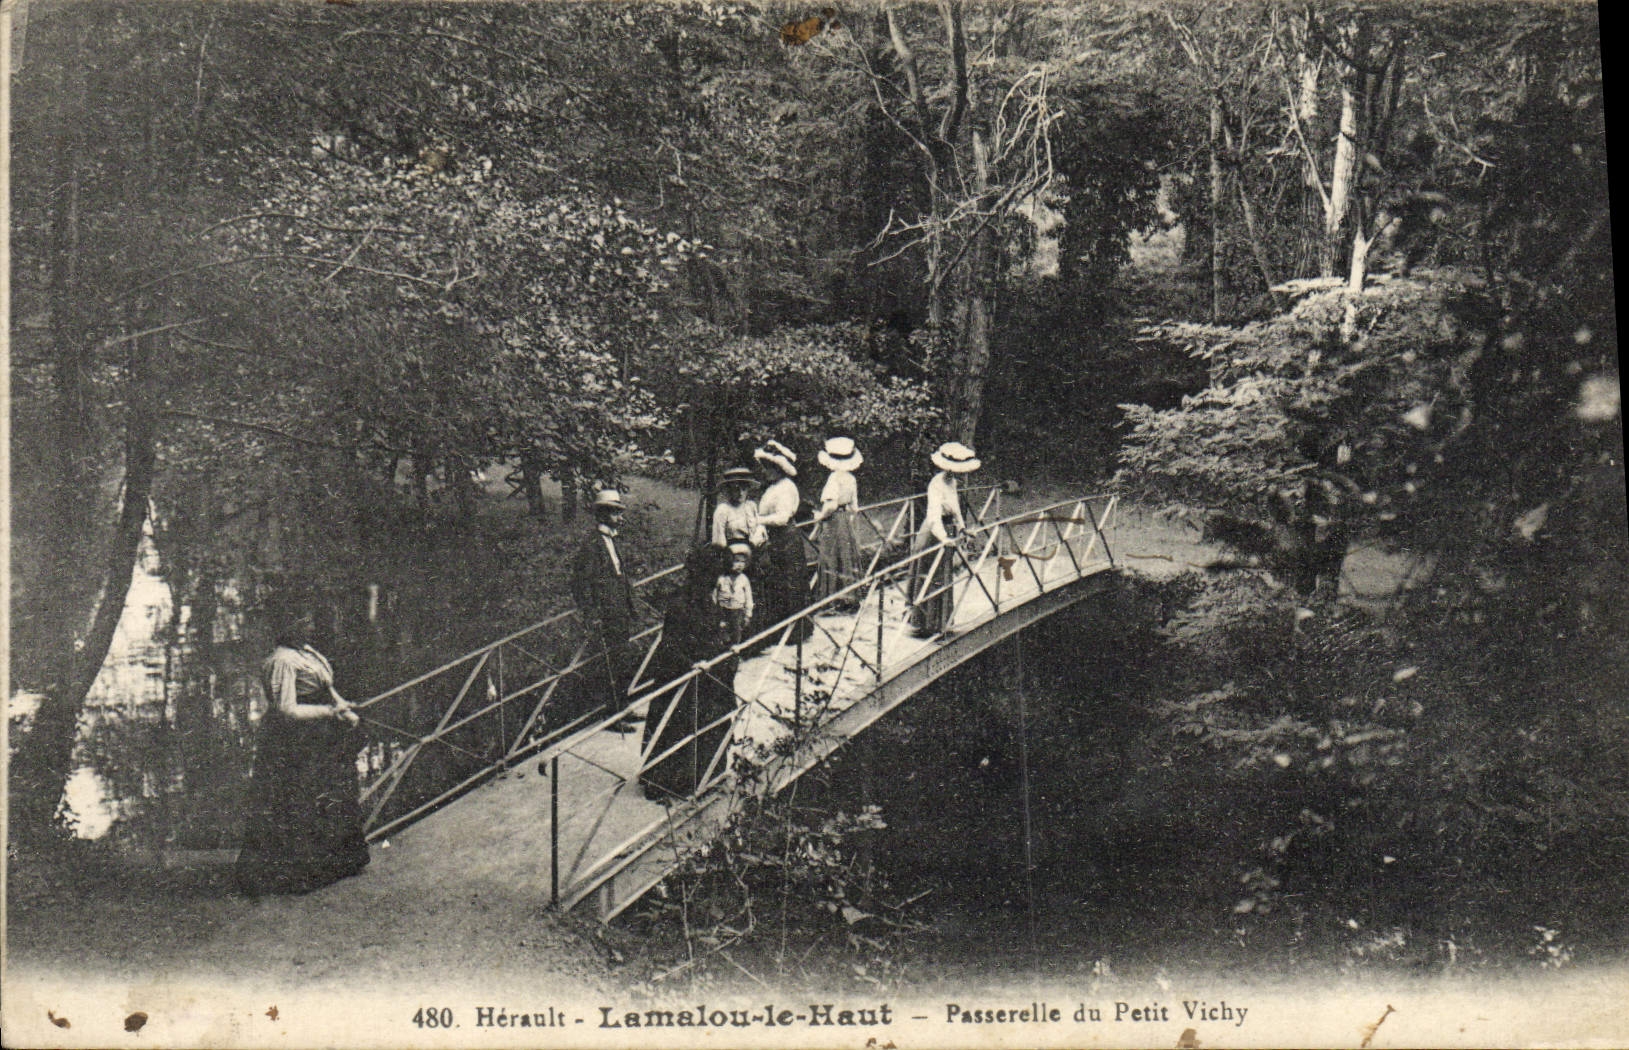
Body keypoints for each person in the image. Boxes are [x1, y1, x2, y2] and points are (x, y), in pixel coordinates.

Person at [235, 609, 369, 897]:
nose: (310, 627)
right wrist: (331, 712)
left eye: (309, 621)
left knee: (331, 794)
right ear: (289, 626)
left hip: (319, 732)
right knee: (300, 798)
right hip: (294, 739)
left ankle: (339, 862)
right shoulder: (281, 661)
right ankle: (300, 874)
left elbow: (326, 687)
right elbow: (287, 709)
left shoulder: (306, 652)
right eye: (304, 622)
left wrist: (345, 710)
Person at [639, 545, 739, 801]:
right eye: (718, 576)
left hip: (706, 674)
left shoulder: (710, 599)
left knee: (709, 720)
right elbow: (670, 644)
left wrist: (728, 646)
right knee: (678, 725)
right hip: (683, 675)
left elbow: (718, 632)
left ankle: (705, 775)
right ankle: (667, 782)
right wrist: (691, 664)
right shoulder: (682, 603)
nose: (722, 582)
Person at [571, 488, 638, 719]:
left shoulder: (612, 541)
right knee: (610, 664)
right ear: (602, 515)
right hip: (606, 615)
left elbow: (620, 576)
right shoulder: (592, 545)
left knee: (622, 661)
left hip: (620, 612)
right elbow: (581, 583)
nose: (620, 518)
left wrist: (630, 605)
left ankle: (623, 708)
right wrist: (592, 614)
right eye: (615, 513)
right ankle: (612, 715)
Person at [908, 441, 981, 637]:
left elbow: (955, 507)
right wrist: (943, 538)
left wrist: (962, 527)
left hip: (947, 529)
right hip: (934, 532)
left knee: (943, 575)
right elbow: (933, 516)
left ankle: (940, 621)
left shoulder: (953, 482)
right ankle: (924, 623)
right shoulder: (936, 483)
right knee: (931, 574)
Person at [754, 439, 811, 643]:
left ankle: (794, 633)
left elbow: (782, 517)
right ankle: (779, 631)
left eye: (770, 468)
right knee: (777, 584)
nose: (766, 471)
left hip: (786, 539)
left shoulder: (785, 488)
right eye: (766, 467)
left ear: (780, 469)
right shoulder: (774, 486)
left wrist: (757, 519)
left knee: (790, 584)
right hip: (776, 540)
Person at [814, 436, 864, 606]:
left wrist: (820, 516)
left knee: (831, 558)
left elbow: (831, 505)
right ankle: (848, 597)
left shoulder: (834, 478)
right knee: (846, 557)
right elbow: (854, 507)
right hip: (845, 521)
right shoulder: (851, 478)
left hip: (833, 521)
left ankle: (832, 599)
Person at [710, 466, 764, 551]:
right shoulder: (723, 510)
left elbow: (759, 530)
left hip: (752, 550)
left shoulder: (751, 506)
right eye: (736, 489)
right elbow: (719, 541)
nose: (741, 493)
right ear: (729, 490)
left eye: (744, 489)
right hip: (731, 552)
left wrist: (754, 544)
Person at [713, 542, 755, 644]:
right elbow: (714, 596)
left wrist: (748, 614)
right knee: (723, 631)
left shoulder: (744, 579)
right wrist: (716, 609)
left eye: (743, 562)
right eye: (736, 561)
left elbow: (749, 598)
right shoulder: (722, 579)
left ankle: (735, 653)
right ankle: (723, 651)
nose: (740, 565)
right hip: (724, 610)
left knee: (736, 632)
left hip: (738, 611)